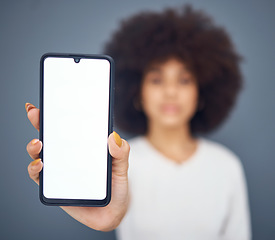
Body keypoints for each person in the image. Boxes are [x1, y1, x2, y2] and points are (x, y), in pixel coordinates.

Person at [26, 4, 251, 240]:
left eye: (184, 80)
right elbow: (113, 214)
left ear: (202, 91)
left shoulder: (226, 166)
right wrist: (107, 217)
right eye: (156, 79)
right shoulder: (117, 164)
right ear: (137, 92)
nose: (171, 92)